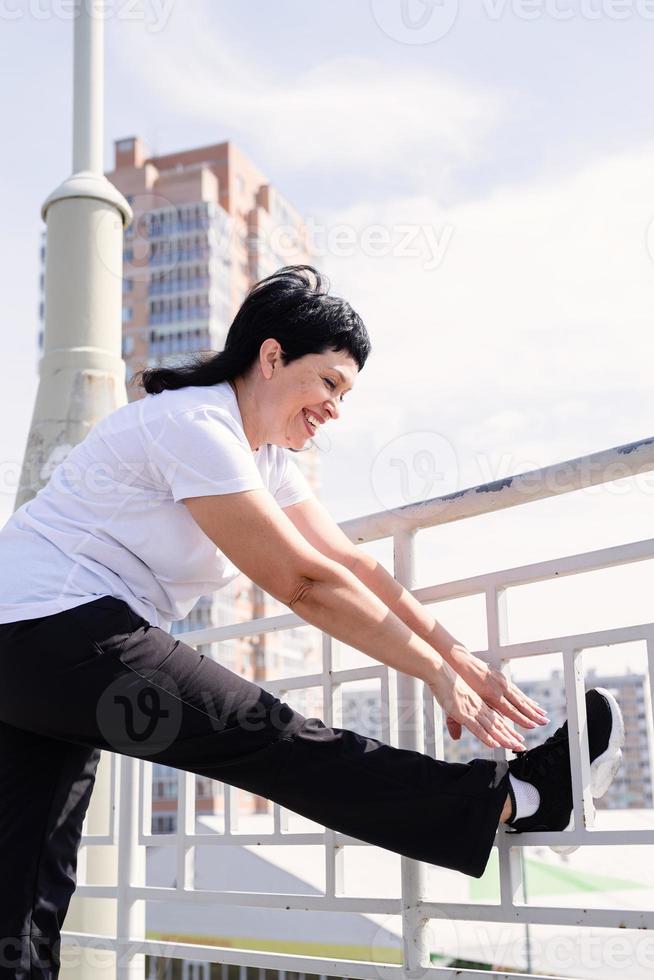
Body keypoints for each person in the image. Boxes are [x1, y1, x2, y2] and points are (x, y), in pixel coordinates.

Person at [0, 265, 624, 978]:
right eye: (329, 382)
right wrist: (430, 673)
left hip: (31, 644)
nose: (335, 408)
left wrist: (456, 657)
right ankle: (522, 799)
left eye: (346, 393)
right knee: (273, 739)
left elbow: (353, 566)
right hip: (60, 628)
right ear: (272, 358)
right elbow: (300, 582)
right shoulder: (193, 424)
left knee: (24, 869)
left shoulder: (260, 455)